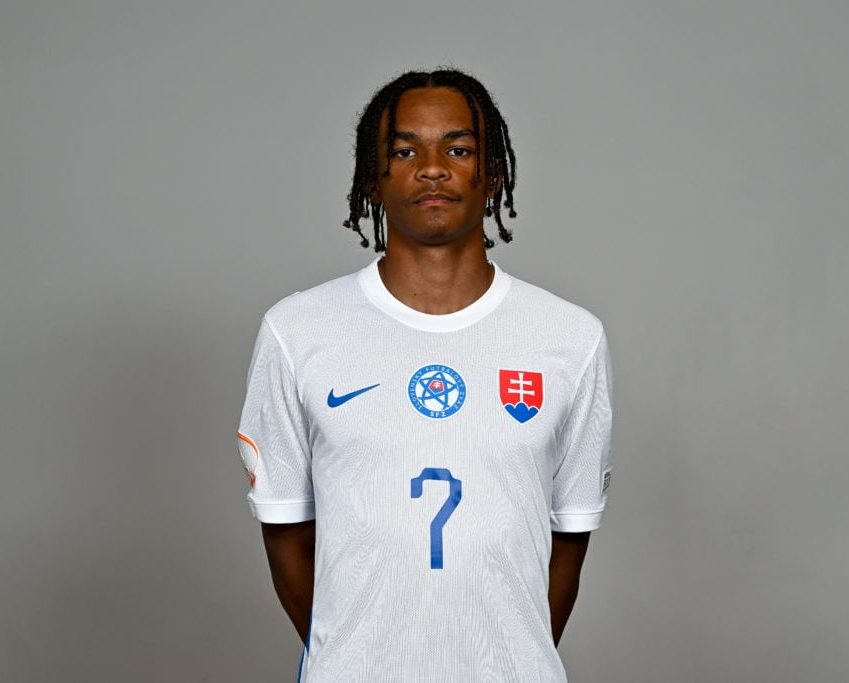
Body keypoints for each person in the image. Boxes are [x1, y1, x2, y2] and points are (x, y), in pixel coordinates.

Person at [236, 68, 613, 682]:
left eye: (458, 150)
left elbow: (568, 539)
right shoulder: (297, 330)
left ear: (490, 176)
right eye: (405, 150)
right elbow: (285, 531)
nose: (432, 168)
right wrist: (357, 654)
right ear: (372, 178)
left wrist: (503, 655)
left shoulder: (570, 337)